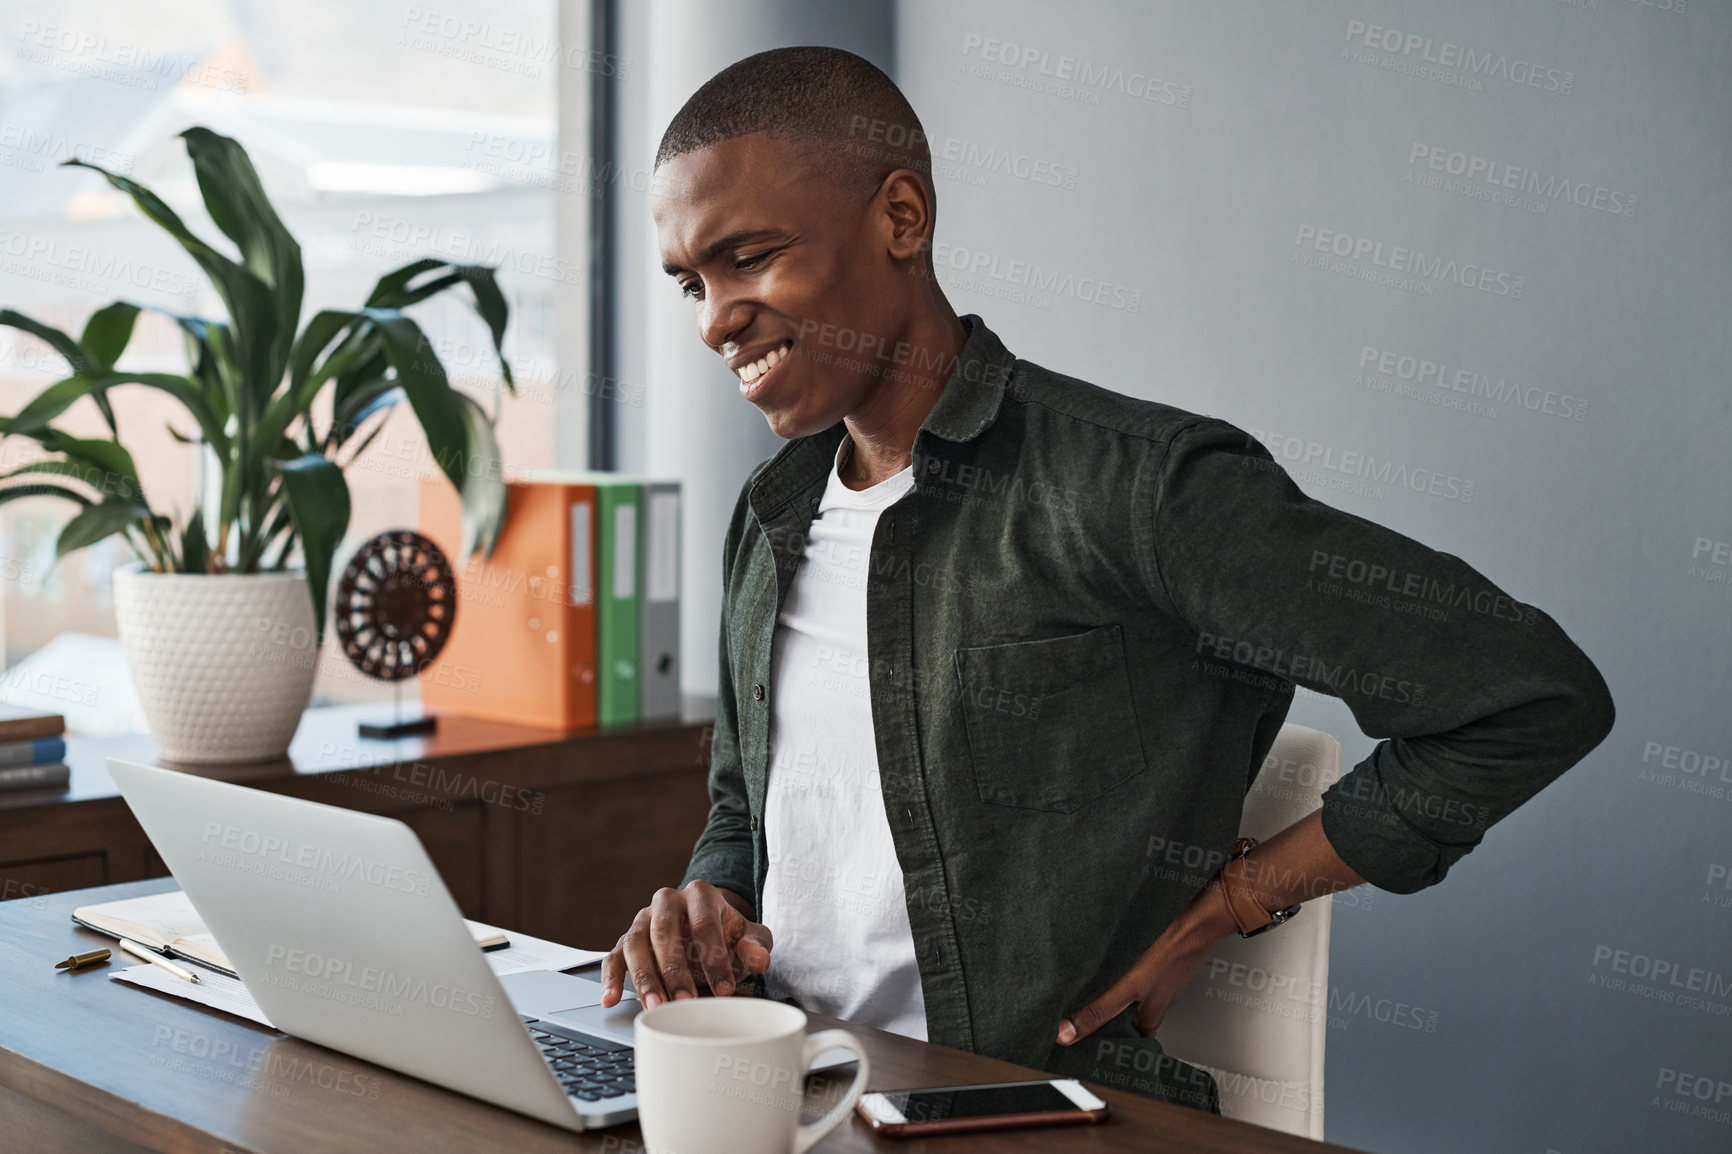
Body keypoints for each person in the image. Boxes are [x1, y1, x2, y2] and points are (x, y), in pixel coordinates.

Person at [599, 45, 1614, 1112]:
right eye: (691, 284)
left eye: (749, 258)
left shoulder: (1139, 488)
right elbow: (742, 798)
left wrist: (1237, 895)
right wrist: (708, 898)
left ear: (901, 218)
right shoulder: (768, 518)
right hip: (786, 1093)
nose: (715, 318)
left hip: (1014, 1113)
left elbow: (1527, 691)